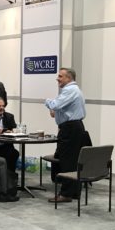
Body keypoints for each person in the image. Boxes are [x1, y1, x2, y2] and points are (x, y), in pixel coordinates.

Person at [44, 67, 86, 203]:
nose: (57, 79)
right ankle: (73, 192)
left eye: (60, 76)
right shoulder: (74, 90)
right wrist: (56, 111)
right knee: (72, 161)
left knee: (67, 161)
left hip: (70, 129)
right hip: (73, 128)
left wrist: (47, 101)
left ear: (69, 78)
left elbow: (55, 104)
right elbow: (61, 108)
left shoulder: (69, 90)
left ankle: (66, 194)